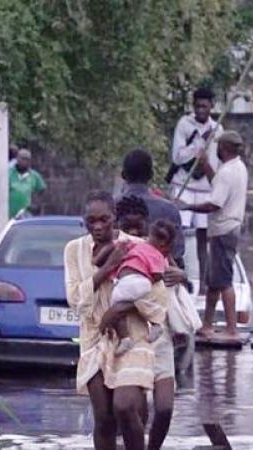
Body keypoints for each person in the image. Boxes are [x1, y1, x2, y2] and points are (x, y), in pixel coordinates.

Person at [64, 190, 169, 450]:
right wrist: (108, 266)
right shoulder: (74, 250)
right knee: (103, 418)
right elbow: (76, 299)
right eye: (91, 221)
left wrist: (120, 309)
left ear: (115, 218)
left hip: (133, 336)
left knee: (124, 406)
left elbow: (156, 295)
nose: (98, 226)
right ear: (84, 221)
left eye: (104, 219)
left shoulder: (136, 245)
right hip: (94, 337)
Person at [112, 195, 183, 450]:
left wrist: (180, 275)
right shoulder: (119, 251)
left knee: (164, 407)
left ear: (146, 225)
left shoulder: (157, 252)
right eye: (127, 228)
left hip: (159, 337)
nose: (133, 233)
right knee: (133, 408)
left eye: (138, 228)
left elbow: (174, 278)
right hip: (131, 339)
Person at [176, 130, 248, 342]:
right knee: (213, 281)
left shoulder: (228, 173)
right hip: (225, 229)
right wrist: (205, 164)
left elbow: (214, 203)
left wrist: (187, 206)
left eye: (218, 146)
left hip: (224, 231)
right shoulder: (236, 167)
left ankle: (232, 330)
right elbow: (217, 184)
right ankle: (207, 325)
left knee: (224, 281)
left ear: (223, 149)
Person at [93, 217, 176, 356]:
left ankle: (123, 337)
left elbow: (158, 275)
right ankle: (153, 324)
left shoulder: (147, 250)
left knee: (114, 306)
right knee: (130, 306)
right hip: (137, 283)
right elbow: (157, 274)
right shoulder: (149, 251)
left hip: (133, 281)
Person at [168, 87, 223, 294]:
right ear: (194, 106)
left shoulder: (218, 129)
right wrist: (197, 145)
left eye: (205, 106)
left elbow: (217, 163)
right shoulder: (184, 125)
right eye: (198, 106)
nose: (201, 110)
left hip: (205, 189)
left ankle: (203, 285)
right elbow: (177, 157)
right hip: (184, 185)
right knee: (177, 232)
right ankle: (178, 277)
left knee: (203, 237)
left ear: (211, 107)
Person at [120, 149, 185, 269]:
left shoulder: (108, 208)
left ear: (123, 175)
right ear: (151, 175)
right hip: (161, 276)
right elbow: (178, 252)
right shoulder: (169, 209)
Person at [8, 148, 46, 218]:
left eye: (27, 159)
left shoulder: (34, 175)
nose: (24, 162)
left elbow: (42, 190)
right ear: (17, 159)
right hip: (10, 213)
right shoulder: (9, 173)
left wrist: (36, 204)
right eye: (22, 159)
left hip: (27, 214)